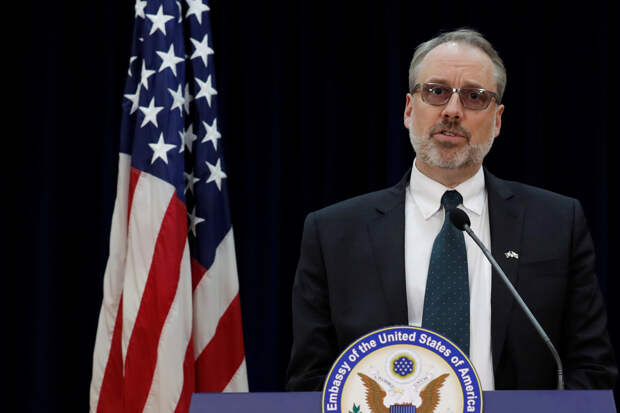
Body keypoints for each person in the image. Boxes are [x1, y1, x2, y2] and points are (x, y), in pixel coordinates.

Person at [286, 28, 617, 391]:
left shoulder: (556, 224)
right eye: (436, 92)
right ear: (409, 109)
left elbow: (591, 367)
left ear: (498, 120)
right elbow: (311, 380)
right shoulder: (334, 233)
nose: (453, 111)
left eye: (475, 97)